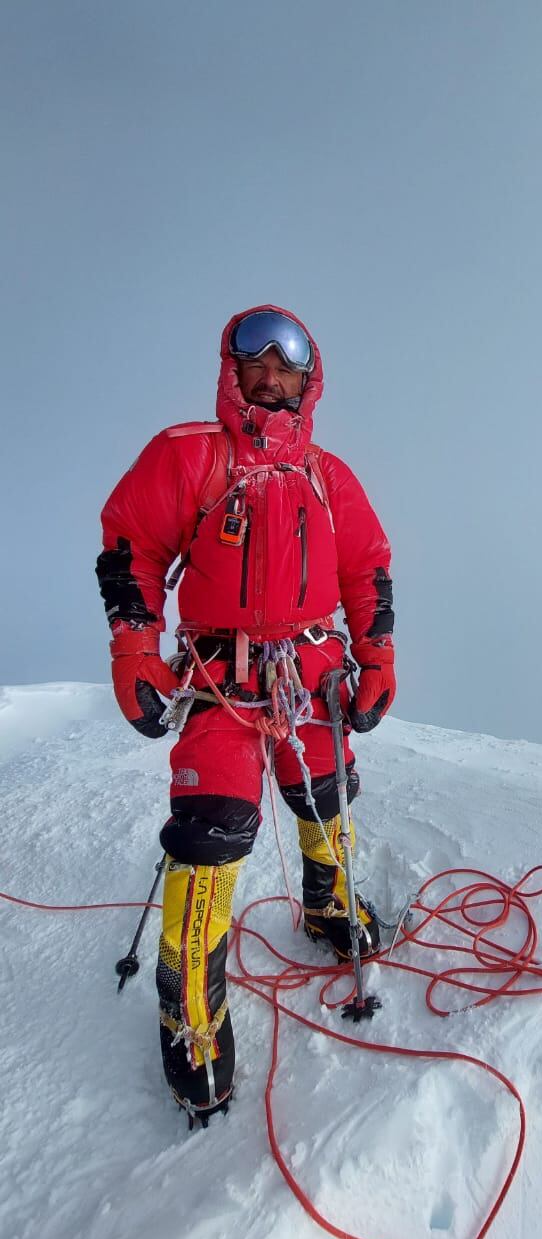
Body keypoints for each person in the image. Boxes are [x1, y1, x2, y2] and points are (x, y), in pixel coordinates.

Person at [96, 305, 395, 1126]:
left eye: (289, 358)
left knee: (325, 800)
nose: (271, 367)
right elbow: (131, 550)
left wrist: (376, 662)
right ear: (231, 369)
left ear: (310, 378)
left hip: (310, 674)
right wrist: (136, 653)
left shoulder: (330, 478)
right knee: (209, 842)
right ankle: (191, 1015)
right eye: (254, 355)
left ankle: (330, 906)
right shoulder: (189, 454)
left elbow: (368, 571)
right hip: (220, 682)